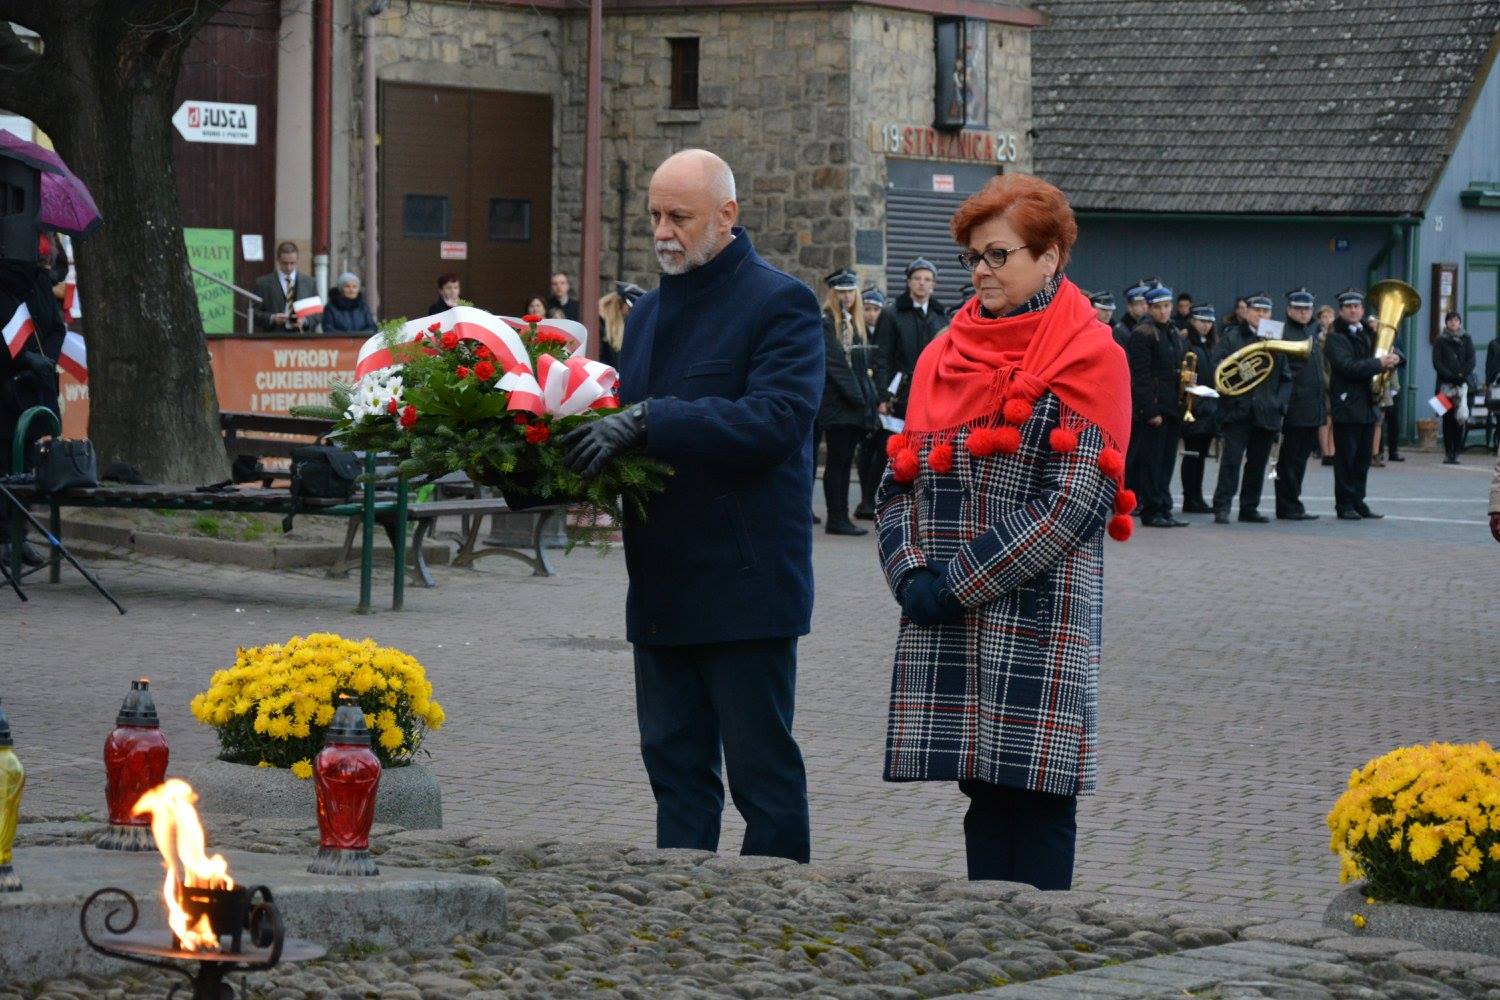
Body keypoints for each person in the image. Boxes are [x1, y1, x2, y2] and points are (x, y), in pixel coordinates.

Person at [559, 148, 821, 863]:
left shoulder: (781, 303)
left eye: (681, 216)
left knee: (762, 779)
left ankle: (775, 917)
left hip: (745, 584)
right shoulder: (644, 317)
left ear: (728, 216)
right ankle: (676, 906)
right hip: (663, 581)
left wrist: (651, 419)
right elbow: (618, 428)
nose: (664, 232)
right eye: (654, 216)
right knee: (675, 775)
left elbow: (776, 422)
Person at [876, 172, 1129, 890]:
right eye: (972, 258)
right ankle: (987, 945)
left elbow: (1072, 506)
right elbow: (895, 482)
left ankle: (1044, 957)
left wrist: (952, 584)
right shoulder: (942, 352)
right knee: (983, 797)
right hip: (946, 608)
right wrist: (910, 573)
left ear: (1049, 257)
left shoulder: (1091, 355)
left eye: (997, 255)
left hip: (1036, 617)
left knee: (1041, 801)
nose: (980, 272)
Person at [0, 232, 67, 569]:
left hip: (35, 386)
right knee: (2, 459)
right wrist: (24, 362)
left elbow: (57, 328)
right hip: (7, 383)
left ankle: (18, 535)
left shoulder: (39, 280)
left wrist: (46, 362)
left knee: (26, 463)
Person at [1210, 292, 1289, 524]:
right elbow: (1217, 368)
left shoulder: (1275, 339)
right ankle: (1222, 506)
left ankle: (1249, 507)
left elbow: (1285, 377)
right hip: (1238, 410)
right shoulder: (1232, 337)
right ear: (1247, 312)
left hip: (1266, 411)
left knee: (1257, 463)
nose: (1261, 315)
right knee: (1231, 461)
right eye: (1257, 311)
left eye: (1266, 312)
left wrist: (1279, 404)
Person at [1325, 287, 1400, 520]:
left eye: (1357, 306)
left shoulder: (1368, 332)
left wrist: (1397, 357)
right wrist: (1379, 364)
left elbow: (1387, 350)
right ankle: (1344, 504)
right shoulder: (1336, 337)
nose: (1353, 310)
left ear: (1362, 309)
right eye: (1348, 307)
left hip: (1368, 403)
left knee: (1362, 458)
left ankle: (1359, 500)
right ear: (1341, 310)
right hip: (1347, 404)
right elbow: (1347, 366)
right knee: (1346, 458)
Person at [818, 269, 877, 536]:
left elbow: (862, 367)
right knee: (837, 462)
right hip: (837, 404)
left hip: (853, 404)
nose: (846, 296)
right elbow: (836, 366)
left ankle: (840, 516)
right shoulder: (826, 322)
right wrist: (858, 398)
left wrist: (868, 399)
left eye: (850, 291)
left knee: (843, 462)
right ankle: (836, 517)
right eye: (841, 291)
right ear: (833, 293)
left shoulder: (855, 323)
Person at [1128, 283, 1188, 526]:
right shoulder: (1143, 333)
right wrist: (1150, 410)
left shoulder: (1172, 331)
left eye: (1166, 306)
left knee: (1166, 462)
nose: (1163, 311)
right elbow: (1140, 377)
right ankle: (1151, 510)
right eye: (1158, 307)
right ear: (1149, 308)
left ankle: (1164, 508)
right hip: (1155, 408)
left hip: (1172, 405)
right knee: (1151, 462)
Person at [1273, 288, 1324, 520]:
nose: (1303, 313)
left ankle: (1294, 501)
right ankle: (1286, 504)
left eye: (1307, 309)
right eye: (1299, 309)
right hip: (1294, 406)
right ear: (1289, 309)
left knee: (1300, 459)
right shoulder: (1283, 333)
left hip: (1311, 406)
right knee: (1290, 459)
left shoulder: (1310, 331)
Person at [874, 258, 946, 421]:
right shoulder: (891, 314)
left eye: (927, 279)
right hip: (900, 391)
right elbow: (882, 357)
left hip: (932, 391)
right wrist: (882, 397)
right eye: (917, 278)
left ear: (933, 284)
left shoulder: (941, 317)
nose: (922, 283)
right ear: (909, 282)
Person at [855, 287, 896, 520]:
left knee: (882, 448)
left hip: (881, 398)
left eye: (876, 309)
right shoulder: (859, 333)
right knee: (865, 450)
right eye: (867, 309)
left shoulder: (887, 331)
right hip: (863, 398)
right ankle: (865, 497)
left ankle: (873, 497)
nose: (871, 314)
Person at [1179, 304, 1219, 513]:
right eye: (1202, 321)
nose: (1206, 326)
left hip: (1208, 408)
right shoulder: (1188, 344)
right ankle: (1190, 497)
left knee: (1201, 455)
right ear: (1192, 321)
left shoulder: (1208, 344)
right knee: (1192, 454)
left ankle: (1197, 496)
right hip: (1195, 407)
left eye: (1209, 322)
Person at [1433, 310, 1477, 464]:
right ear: (1446, 322)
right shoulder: (1440, 340)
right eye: (1450, 320)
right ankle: (1447, 452)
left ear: (1460, 322)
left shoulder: (1467, 338)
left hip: (1462, 385)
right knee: (1446, 419)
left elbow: (1471, 359)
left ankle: (1456, 451)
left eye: (1456, 320)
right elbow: (1437, 362)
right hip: (1444, 384)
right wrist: (1450, 376)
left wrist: (1461, 375)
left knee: (1460, 419)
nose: (1453, 323)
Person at [252, 242, 321, 332]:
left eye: (292, 263)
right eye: (285, 263)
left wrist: (305, 321)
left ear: (297, 260)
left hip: (301, 337)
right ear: (278, 260)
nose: (289, 267)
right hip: (273, 337)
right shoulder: (263, 283)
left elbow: (318, 313)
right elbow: (253, 313)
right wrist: (272, 318)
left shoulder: (309, 283)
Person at [597, 281, 644, 369]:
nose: (630, 313)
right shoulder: (599, 323)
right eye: (629, 309)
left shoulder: (617, 325)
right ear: (620, 305)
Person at [1315, 304, 1338, 465]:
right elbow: (1320, 365)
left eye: (1330, 316)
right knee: (1326, 419)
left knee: (1334, 419)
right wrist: (1328, 382)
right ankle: (1325, 451)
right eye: (1324, 317)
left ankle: (1333, 450)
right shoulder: (1317, 338)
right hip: (1324, 382)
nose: (1328, 320)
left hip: (1336, 382)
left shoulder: (1336, 337)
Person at [1112, 282, 1147, 349]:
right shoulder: (1120, 330)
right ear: (1129, 307)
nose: (1144, 306)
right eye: (1140, 304)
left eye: (1145, 303)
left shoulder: (1148, 324)